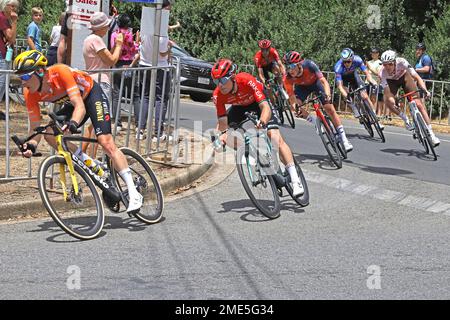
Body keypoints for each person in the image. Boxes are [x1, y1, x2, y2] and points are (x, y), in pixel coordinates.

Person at [13, 50, 143, 213]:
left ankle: (133, 192)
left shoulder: (60, 72)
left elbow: (80, 106)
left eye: (25, 76)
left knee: (105, 142)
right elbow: (35, 127)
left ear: (40, 71)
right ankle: (91, 163)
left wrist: (73, 123)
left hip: (92, 96)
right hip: (73, 105)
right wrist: (31, 145)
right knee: (49, 134)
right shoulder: (29, 93)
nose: (23, 82)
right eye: (20, 77)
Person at [211, 58, 304, 197]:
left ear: (232, 77)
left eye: (223, 80)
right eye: (216, 81)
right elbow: (222, 121)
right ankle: (254, 155)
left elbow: (265, 107)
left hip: (258, 102)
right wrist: (222, 136)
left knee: (274, 137)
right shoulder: (218, 95)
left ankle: (296, 180)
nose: (220, 85)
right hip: (238, 107)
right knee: (224, 136)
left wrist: (262, 122)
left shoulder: (246, 80)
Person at [283, 51, 353, 152]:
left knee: (330, 108)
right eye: (287, 67)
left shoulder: (309, 65)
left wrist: (328, 95)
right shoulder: (287, 78)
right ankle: (315, 122)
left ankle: (344, 139)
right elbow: (292, 97)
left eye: (292, 66)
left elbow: (324, 81)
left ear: (299, 64)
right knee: (296, 107)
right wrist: (296, 108)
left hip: (316, 84)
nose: (290, 70)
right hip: (302, 88)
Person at [83, 12, 124, 157]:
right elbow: (112, 60)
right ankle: (92, 157)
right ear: (101, 27)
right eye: (106, 25)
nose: (108, 27)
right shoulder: (96, 40)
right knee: (98, 123)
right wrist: (119, 45)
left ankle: (81, 154)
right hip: (101, 83)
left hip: (92, 81)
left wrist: (114, 47)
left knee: (92, 123)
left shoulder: (89, 39)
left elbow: (105, 59)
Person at [379, 50, 440, 146]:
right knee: (388, 102)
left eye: (390, 64)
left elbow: (417, 77)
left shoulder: (402, 62)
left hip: (404, 78)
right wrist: (394, 100)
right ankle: (405, 119)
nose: (387, 67)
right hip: (391, 82)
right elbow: (388, 93)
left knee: (419, 104)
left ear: (395, 62)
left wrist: (425, 90)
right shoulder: (382, 73)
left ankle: (431, 134)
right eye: (385, 64)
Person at [133, 0, 173, 141]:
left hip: (144, 65)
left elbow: (140, 44)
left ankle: (140, 129)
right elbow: (162, 53)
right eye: (168, 9)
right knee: (160, 99)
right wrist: (170, 48)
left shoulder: (145, 27)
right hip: (160, 67)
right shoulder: (161, 32)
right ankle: (158, 132)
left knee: (144, 96)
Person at [110, 13, 138, 132]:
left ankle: (118, 123)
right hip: (130, 65)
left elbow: (112, 48)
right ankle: (138, 124)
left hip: (118, 65)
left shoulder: (114, 35)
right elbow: (135, 49)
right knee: (135, 96)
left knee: (116, 95)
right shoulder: (130, 35)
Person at [334, 48, 378, 119]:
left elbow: (367, 73)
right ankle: (354, 108)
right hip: (343, 79)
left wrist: (372, 81)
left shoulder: (358, 60)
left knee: (365, 96)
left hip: (353, 76)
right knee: (346, 95)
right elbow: (340, 86)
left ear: (352, 58)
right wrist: (346, 95)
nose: (346, 64)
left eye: (348, 61)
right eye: (344, 62)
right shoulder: (338, 67)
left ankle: (374, 115)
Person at [0, 0, 19, 121]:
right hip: (1, 55)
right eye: (11, 6)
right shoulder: (2, 18)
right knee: (1, 82)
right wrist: (15, 21)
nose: (14, 8)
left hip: (4, 54)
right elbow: (11, 37)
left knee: (3, 83)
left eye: (16, 6)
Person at [366, 47, 387, 118]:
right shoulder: (369, 62)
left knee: (374, 98)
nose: (373, 54)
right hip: (367, 82)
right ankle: (368, 112)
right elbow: (366, 72)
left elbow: (378, 73)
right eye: (372, 53)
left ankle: (374, 113)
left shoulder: (380, 63)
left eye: (375, 53)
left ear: (378, 54)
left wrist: (370, 68)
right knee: (366, 98)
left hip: (375, 82)